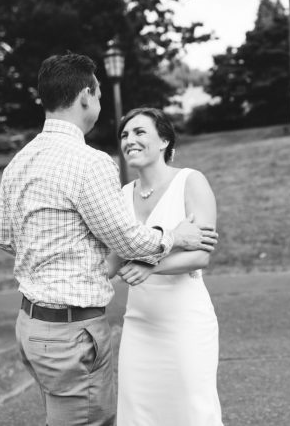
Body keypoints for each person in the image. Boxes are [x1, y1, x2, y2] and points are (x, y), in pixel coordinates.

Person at [0, 54, 218, 426]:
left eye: (139, 132)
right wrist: (174, 236)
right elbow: (127, 242)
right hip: (72, 332)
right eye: (97, 95)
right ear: (86, 96)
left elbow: (4, 237)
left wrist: (55, 255)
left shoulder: (19, 161)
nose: (127, 138)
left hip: (31, 327)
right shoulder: (90, 162)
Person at [106, 107, 223, 425]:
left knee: (192, 411)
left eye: (140, 132)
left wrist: (149, 265)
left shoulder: (191, 181)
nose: (130, 139)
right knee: (138, 413)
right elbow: (113, 259)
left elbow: (201, 255)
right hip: (139, 324)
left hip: (185, 321)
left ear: (164, 141)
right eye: (125, 135)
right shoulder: (121, 196)